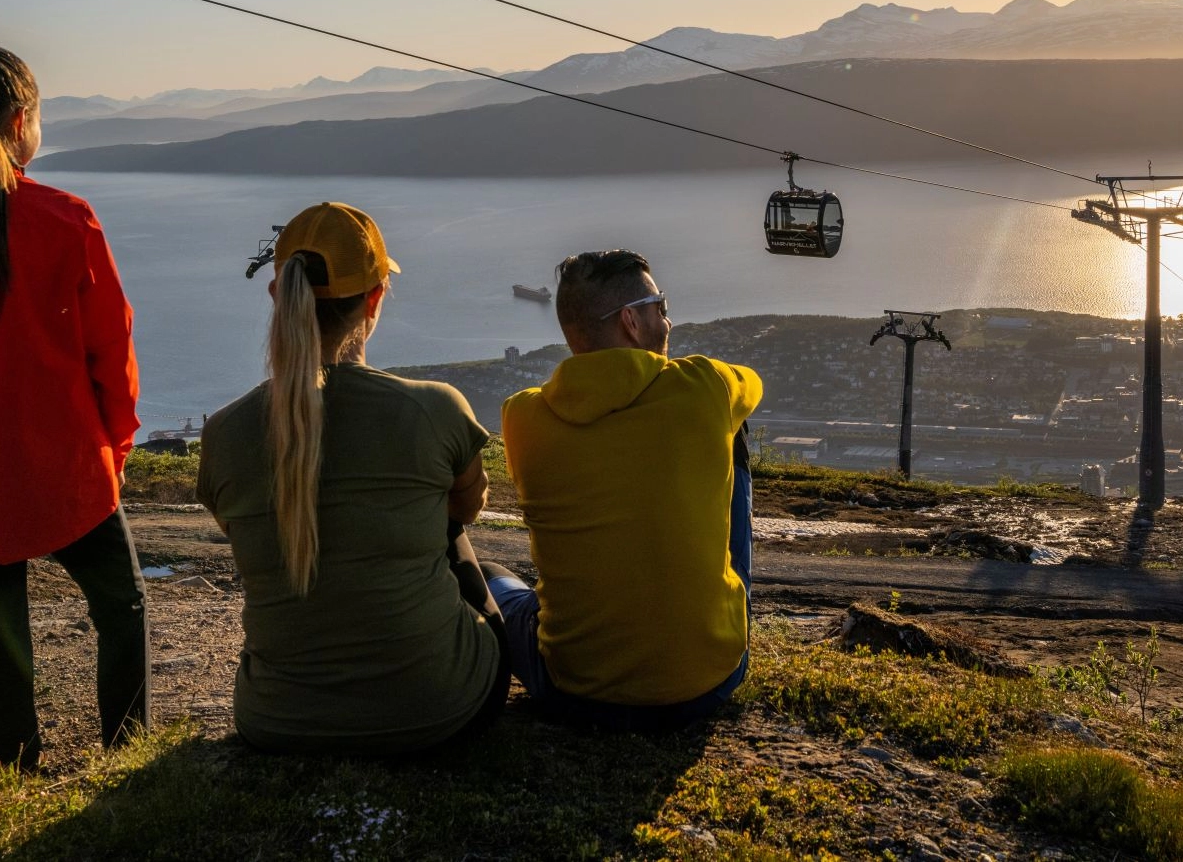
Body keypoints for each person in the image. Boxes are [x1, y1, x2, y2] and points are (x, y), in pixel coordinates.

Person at [197, 202, 508, 755]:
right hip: (442, 708)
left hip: (276, 720)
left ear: (277, 295)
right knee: (449, 528)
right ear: (375, 298)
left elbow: (240, 530)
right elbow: (465, 510)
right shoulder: (433, 409)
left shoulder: (224, 433)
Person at [492, 249, 761, 731]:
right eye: (661, 306)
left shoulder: (521, 417)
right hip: (707, 681)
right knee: (733, 429)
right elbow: (753, 387)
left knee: (491, 578)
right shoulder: (705, 386)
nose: (668, 320)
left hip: (573, 688)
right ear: (631, 322)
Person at [0, 48, 149, 771]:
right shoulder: (65, 218)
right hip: (68, 469)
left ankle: (14, 763)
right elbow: (111, 354)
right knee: (121, 605)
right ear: (20, 121)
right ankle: (126, 753)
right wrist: (115, 449)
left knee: (3, 633)